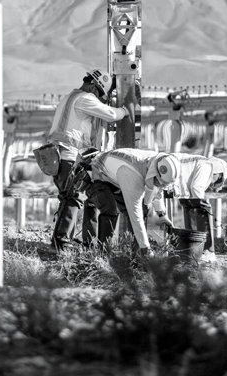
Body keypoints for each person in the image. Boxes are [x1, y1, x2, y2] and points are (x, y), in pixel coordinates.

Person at [43, 69, 129, 251]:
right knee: (72, 198)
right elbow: (112, 115)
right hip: (68, 155)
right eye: (99, 94)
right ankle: (61, 244)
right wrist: (125, 109)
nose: (99, 99)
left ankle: (68, 241)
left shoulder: (69, 97)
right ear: (93, 85)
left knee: (71, 198)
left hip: (58, 156)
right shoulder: (85, 99)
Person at [77, 148, 181, 254]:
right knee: (110, 208)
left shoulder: (155, 162)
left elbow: (156, 190)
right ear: (154, 174)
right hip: (93, 174)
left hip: (113, 179)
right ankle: (103, 254)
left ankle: (135, 255)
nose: (160, 187)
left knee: (144, 208)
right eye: (160, 183)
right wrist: (146, 248)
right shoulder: (133, 174)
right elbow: (135, 215)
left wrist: (162, 215)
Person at [167, 153, 227, 262]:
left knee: (188, 207)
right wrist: (202, 205)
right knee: (202, 208)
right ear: (218, 174)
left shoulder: (198, 163)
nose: (214, 183)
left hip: (169, 176)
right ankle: (207, 251)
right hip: (171, 176)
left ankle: (192, 251)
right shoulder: (207, 165)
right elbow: (196, 187)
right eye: (218, 180)